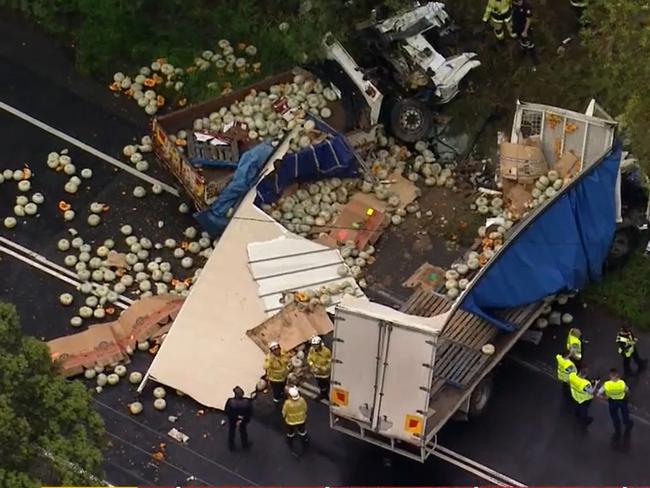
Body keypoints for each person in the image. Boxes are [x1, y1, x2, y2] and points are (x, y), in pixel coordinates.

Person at [598, 369, 633, 436]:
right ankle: (627, 423)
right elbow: (627, 391)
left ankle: (617, 426)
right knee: (625, 412)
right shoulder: (621, 383)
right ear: (617, 374)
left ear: (610, 375)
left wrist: (604, 398)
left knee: (614, 414)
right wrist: (628, 397)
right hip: (622, 400)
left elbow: (598, 394)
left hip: (612, 401)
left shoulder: (607, 384)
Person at [512, 0, 539, 70]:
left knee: (530, 45)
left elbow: (528, 20)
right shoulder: (514, 5)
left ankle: (534, 62)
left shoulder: (526, 6)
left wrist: (525, 31)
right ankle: (523, 54)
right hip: (518, 29)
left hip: (525, 30)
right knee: (522, 43)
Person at [224, 386, 253, 450]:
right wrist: (242, 418)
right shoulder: (247, 402)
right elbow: (250, 412)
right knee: (243, 431)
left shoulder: (230, 402)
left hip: (233, 419)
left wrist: (235, 417)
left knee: (232, 431)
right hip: (243, 419)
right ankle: (244, 444)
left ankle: (231, 446)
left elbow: (226, 411)